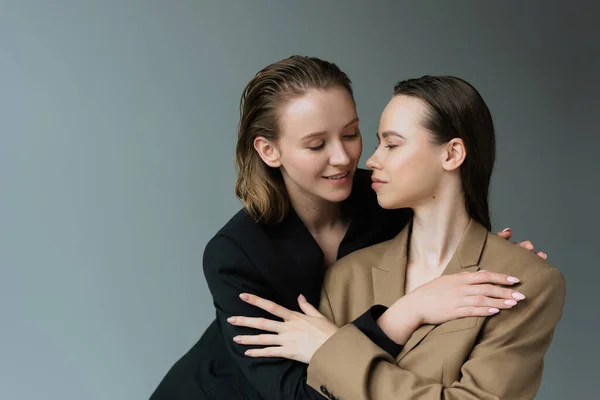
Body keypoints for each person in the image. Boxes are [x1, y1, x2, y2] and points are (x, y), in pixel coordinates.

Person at [150, 57, 545, 400]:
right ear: (269, 151)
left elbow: (441, 224)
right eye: (316, 144)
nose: (343, 157)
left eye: (351, 134)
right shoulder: (236, 253)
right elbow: (302, 394)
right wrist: (404, 313)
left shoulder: (387, 201)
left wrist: (488, 256)